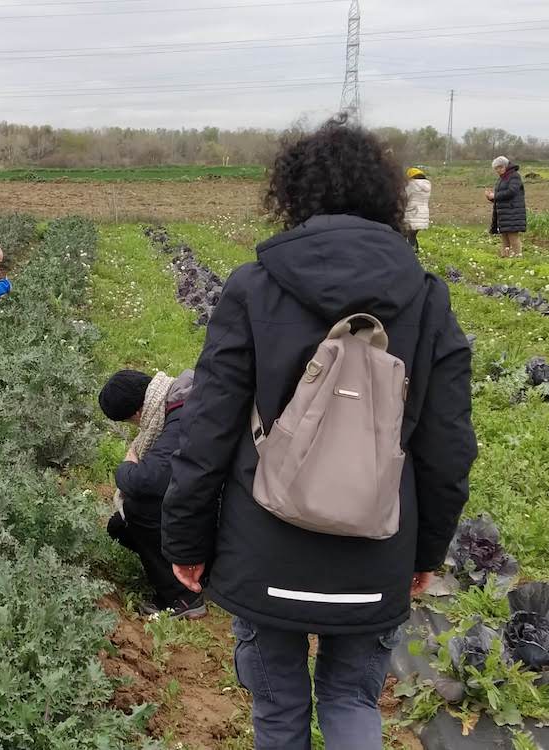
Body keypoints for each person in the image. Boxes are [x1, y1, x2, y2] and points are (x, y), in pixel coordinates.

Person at [162, 117, 477, 750]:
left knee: (277, 712)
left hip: (263, 545)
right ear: (381, 195)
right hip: (377, 543)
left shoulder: (255, 287)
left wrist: (186, 537)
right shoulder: (426, 298)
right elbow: (447, 445)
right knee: (352, 701)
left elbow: (209, 426)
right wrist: (426, 553)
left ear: (296, 194)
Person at [99, 368, 205, 619]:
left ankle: (183, 596)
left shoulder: (181, 416)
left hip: (227, 508)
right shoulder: (177, 395)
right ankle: (196, 570)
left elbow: (147, 481)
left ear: (136, 412)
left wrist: (127, 467)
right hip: (218, 496)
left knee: (139, 509)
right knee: (120, 526)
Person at [486, 156, 527, 258]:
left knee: (513, 238)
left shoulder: (514, 176)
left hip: (512, 212)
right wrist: (491, 197)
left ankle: (518, 259)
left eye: (499, 168)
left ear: (505, 166)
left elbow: (511, 192)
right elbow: (501, 196)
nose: (497, 171)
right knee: (504, 238)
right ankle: (505, 259)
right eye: (496, 169)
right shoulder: (502, 179)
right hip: (504, 214)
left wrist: (495, 196)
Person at [403, 167, 431, 250]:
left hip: (412, 214)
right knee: (412, 235)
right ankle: (414, 250)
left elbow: (404, 197)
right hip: (423, 215)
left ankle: (410, 252)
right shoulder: (427, 185)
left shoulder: (411, 185)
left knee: (405, 234)